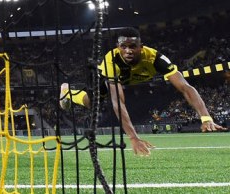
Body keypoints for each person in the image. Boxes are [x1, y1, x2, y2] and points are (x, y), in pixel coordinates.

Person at [59, 27, 224, 156]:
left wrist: (205, 117)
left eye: (133, 46)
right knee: (92, 103)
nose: (128, 51)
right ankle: (67, 92)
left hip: (130, 79)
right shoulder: (112, 60)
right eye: (123, 47)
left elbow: (185, 88)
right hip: (103, 77)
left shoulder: (155, 58)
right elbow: (118, 101)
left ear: (141, 47)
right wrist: (133, 137)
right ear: (118, 47)